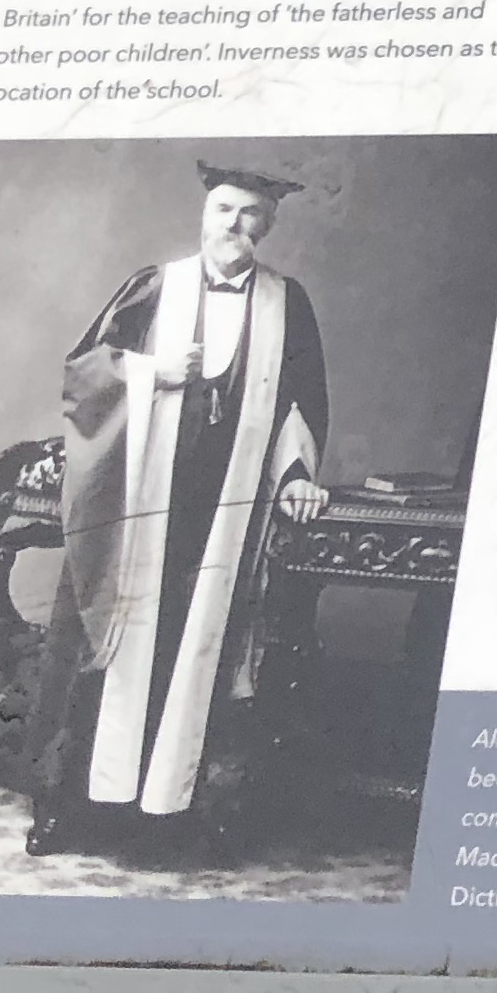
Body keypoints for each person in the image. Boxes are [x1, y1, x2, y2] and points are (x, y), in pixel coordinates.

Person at [26, 159, 331, 860]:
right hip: (141, 499)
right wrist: (151, 371)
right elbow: (84, 371)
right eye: (227, 209)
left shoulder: (289, 303)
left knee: (199, 647)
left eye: (254, 215)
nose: (238, 225)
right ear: (205, 211)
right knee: (109, 639)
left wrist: (292, 475)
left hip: (224, 506)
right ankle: (65, 809)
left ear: (270, 225)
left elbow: (298, 402)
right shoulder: (158, 285)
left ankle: (165, 811)